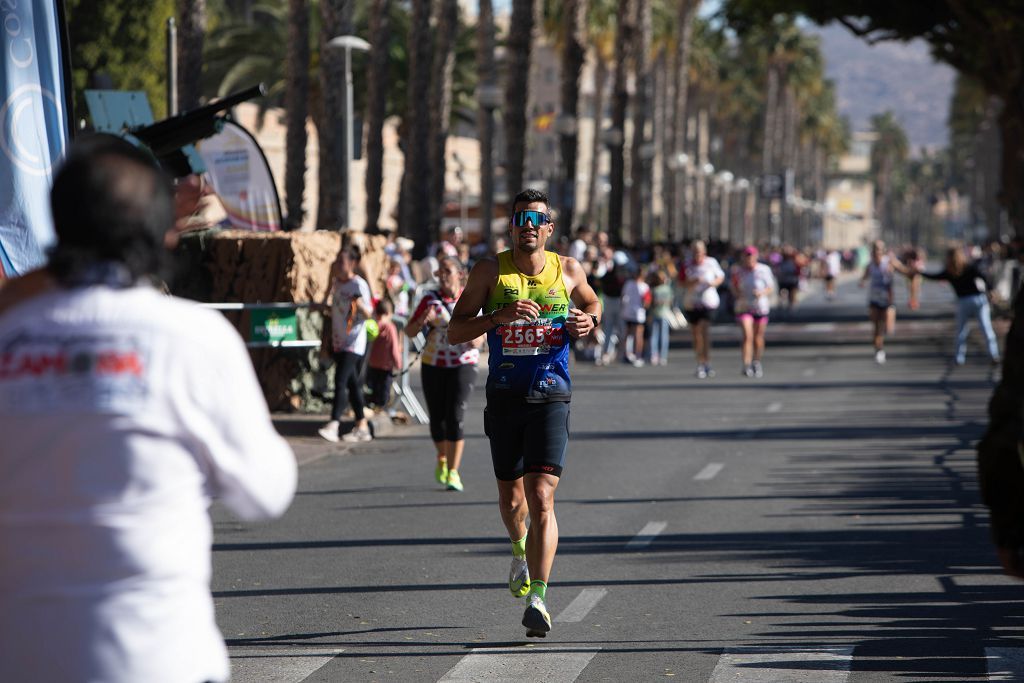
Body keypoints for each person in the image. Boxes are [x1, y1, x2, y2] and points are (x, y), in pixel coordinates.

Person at [0, 133, 297, 683]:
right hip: (158, 656)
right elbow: (266, 492)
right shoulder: (194, 339)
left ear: (58, 227)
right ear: (166, 236)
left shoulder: (9, 336)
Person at [447, 189, 601, 638]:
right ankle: (518, 550)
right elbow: (456, 329)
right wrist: (498, 318)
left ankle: (539, 596)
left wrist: (589, 321)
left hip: (552, 396)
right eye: (520, 218)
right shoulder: (489, 271)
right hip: (505, 398)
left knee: (542, 497)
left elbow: (592, 303)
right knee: (512, 501)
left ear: (549, 228)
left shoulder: (568, 269)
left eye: (537, 218)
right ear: (511, 227)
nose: (528, 225)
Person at [404, 256, 483, 491]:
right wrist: (421, 321)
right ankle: (442, 458)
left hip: (463, 363)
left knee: (455, 417)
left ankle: (453, 471)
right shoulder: (429, 299)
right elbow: (408, 331)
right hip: (433, 362)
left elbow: (479, 341)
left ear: (460, 274)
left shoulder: (470, 300)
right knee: (437, 420)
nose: (442, 275)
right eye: (440, 271)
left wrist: (462, 331)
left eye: (447, 270)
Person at [318, 245, 375, 443]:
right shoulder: (337, 284)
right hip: (338, 340)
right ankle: (362, 425)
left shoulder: (358, 285)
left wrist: (359, 305)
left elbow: (370, 314)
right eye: (337, 261)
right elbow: (326, 304)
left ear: (352, 264)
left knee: (340, 381)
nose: (338, 265)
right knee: (352, 385)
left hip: (354, 341)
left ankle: (334, 423)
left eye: (342, 262)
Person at [916, 246, 1001, 366]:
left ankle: (959, 357)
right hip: (978, 299)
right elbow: (984, 276)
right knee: (986, 329)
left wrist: (919, 272)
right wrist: (991, 289)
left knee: (961, 331)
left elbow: (934, 276)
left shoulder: (950, 271)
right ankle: (994, 354)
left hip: (963, 301)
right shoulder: (969, 267)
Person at [859, 239, 911, 364]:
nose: (878, 251)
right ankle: (879, 350)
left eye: (880, 249)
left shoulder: (890, 262)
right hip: (874, 299)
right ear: (872, 251)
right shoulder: (870, 265)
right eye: (875, 249)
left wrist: (912, 271)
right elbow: (864, 278)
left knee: (888, 327)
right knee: (877, 327)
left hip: (887, 298)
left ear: (883, 250)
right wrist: (862, 281)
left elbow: (904, 271)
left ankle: (881, 343)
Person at [681, 240, 724, 378]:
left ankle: (707, 362)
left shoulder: (711, 262)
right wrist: (692, 282)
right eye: (694, 252)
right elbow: (680, 282)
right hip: (692, 303)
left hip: (708, 302)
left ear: (704, 252)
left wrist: (712, 283)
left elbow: (720, 277)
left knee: (704, 331)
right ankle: (699, 362)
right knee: (696, 335)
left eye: (699, 252)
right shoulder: (686, 264)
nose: (696, 255)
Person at [730, 246, 775, 377]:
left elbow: (770, 287)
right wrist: (738, 293)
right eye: (747, 256)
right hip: (744, 306)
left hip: (760, 306)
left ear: (756, 257)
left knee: (758, 337)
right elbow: (733, 286)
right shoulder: (738, 271)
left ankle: (756, 361)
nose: (749, 259)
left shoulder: (763, 270)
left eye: (751, 256)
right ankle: (746, 363)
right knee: (747, 335)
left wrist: (761, 293)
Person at [366, 298, 402, 411]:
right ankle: (381, 410)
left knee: (374, 390)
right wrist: (398, 363)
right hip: (386, 366)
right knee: (384, 391)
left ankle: (373, 408)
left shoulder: (372, 326)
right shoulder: (390, 328)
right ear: (388, 313)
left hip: (372, 364)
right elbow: (394, 348)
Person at [620, 265, 650, 366]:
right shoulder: (644, 286)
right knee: (638, 335)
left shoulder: (628, 284)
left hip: (628, 312)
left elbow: (623, 297)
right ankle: (637, 356)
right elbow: (646, 302)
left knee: (628, 334)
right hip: (638, 313)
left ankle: (626, 354)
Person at [648, 269, 674, 366]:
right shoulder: (666, 289)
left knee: (657, 336)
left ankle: (657, 355)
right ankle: (661, 356)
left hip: (660, 314)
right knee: (660, 336)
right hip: (661, 313)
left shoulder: (656, 289)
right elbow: (670, 301)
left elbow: (653, 303)